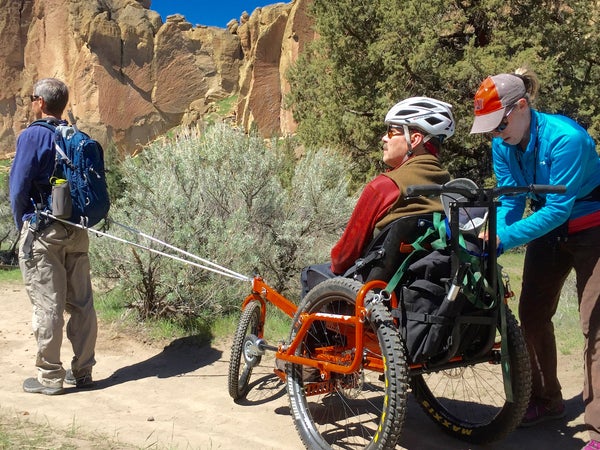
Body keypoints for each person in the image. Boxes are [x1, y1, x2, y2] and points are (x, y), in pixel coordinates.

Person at [470, 68, 600, 450]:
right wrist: (496, 234)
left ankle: (599, 429)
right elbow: (511, 198)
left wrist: (503, 239)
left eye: (500, 124)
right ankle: (548, 400)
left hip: (593, 227)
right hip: (549, 232)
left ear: (522, 106)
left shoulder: (567, 139)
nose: (496, 134)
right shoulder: (503, 144)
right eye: (490, 128)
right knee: (531, 314)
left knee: (594, 326)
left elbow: (559, 208)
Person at [301, 97, 455, 296]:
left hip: (373, 293)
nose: (384, 138)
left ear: (415, 139)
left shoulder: (385, 186)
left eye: (391, 131)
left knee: (310, 274)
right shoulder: (450, 189)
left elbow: (342, 258)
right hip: (424, 291)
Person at [9, 78, 97, 395]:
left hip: (44, 232)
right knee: (82, 303)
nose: (32, 102)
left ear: (41, 103)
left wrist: (23, 224)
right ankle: (84, 371)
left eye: (33, 97)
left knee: (49, 305)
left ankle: (49, 377)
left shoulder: (33, 135)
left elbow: (18, 187)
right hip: (77, 230)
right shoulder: (75, 135)